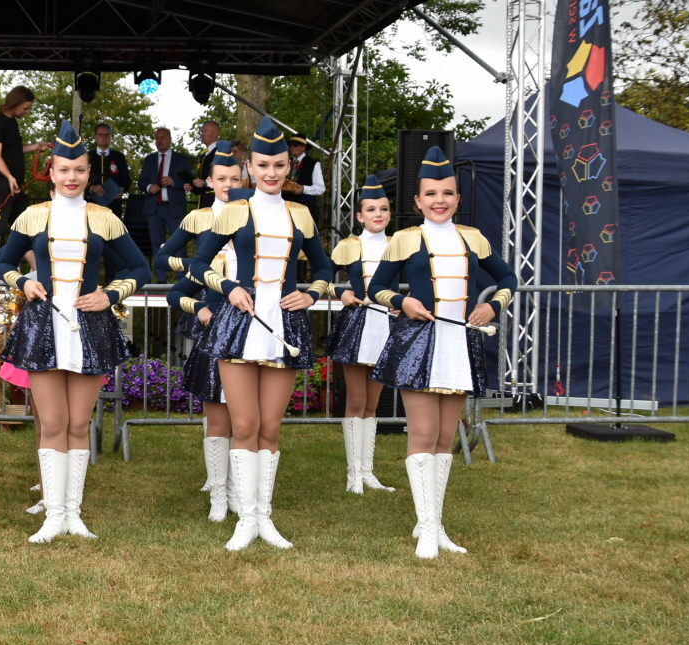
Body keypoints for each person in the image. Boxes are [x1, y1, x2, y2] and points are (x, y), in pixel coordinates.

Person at [0, 120, 149, 544]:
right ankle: (53, 514)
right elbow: (2, 262)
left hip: (90, 328)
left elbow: (140, 268)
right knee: (53, 422)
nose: (72, 177)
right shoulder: (32, 215)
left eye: (80, 170)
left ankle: (73, 514)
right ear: (51, 171)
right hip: (42, 326)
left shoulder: (105, 218)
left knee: (79, 423)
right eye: (64, 169)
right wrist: (22, 283)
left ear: (88, 172)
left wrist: (110, 294)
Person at [187, 118, 333, 552]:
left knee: (270, 426)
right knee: (245, 423)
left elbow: (324, 267)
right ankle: (245, 518)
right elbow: (198, 264)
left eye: (280, 165)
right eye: (264, 165)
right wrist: (228, 287)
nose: (272, 173)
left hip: (284, 324)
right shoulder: (235, 210)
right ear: (249, 167)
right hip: (239, 323)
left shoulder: (300, 213)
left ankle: (263, 516)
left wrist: (312, 294)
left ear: (290, 168)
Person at [367, 147, 515, 559]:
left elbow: (508, 277)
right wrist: (402, 303)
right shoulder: (404, 239)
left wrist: (493, 306)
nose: (440, 200)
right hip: (418, 344)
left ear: (458, 198)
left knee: (445, 438)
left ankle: (434, 523)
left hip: (459, 346)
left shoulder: (473, 238)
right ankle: (427, 528)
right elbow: (375, 288)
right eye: (431, 193)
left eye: (447, 193)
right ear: (417, 200)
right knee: (423, 433)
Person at [156, 141, 252, 521]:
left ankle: (240, 489)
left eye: (234, 178)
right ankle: (217, 490)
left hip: (251, 316)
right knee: (216, 408)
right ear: (209, 182)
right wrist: (200, 268)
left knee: (246, 413)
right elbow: (163, 257)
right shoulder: (198, 218)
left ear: (244, 180)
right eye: (221, 178)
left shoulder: (256, 214)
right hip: (215, 310)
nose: (228, 184)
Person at [326, 175, 397, 495]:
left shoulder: (399, 244)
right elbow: (323, 276)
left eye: (383, 208)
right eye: (371, 209)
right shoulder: (348, 245)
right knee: (356, 400)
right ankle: (353, 473)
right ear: (360, 216)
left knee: (373, 403)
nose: (378, 214)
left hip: (387, 325)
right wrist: (340, 292)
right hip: (357, 325)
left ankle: (368, 471)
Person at [0, 86, 49, 274]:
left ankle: (39, 270)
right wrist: (9, 176)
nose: (26, 112)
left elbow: (14, 150)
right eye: (25, 108)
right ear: (15, 103)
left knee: (24, 226)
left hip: (14, 185)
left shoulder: (11, 123)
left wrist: (36, 147)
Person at [137, 127, 194, 278]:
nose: (159, 140)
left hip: (175, 209)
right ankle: (160, 280)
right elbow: (141, 182)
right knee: (157, 244)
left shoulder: (181, 159)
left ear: (169, 139)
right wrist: (149, 187)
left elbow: (190, 182)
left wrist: (173, 182)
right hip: (153, 209)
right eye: (157, 138)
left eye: (163, 137)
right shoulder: (149, 159)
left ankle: (182, 279)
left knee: (179, 244)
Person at [87, 122, 129, 212]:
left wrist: (122, 189)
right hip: (91, 205)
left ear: (110, 137)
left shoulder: (119, 157)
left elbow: (126, 180)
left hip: (114, 205)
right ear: (95, 136)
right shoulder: (87, 157)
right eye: (101, 134)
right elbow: (80, 181)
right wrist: (91, 188)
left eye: (107, 134)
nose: (104, 137)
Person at [281, 135, 326, 212]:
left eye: (295, 145)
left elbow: (321, 188)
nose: (292, 147)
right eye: (290, 145)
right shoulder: (286, 162)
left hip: (304, 207)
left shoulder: (313, 163)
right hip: (284, 206)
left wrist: (303, 189)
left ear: (303, 147)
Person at [189, 120, 222, 208]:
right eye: (202, 131)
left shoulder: (221, 152)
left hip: (216, 203)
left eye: (205, 131)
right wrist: (193, 186)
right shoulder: (203, 156)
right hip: (204, 202)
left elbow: (223, 179)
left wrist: (204, 183)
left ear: (215, 133)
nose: (202, 134)